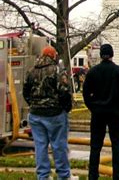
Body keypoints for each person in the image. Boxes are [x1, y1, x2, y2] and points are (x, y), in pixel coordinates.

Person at [23, 45, 73, 180]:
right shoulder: (57, 71)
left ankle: (43, 176)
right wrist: (66, 107)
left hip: (35, 114)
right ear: (53, 56)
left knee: (40, 146)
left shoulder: (31, 71)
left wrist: (33, 104)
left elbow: (25, 92)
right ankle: (63, 175)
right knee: (59, 146)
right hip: (55, 114)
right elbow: (64, 92)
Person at [83, 44, 119, 180]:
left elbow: (86, 93)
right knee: (117, 146)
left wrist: (92, 107)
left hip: (98, 113)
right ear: (112, 55)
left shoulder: (93, 72)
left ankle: (93, 175)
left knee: (95, 146)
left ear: (100, 55)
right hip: (116, 113)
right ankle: (118, 176)